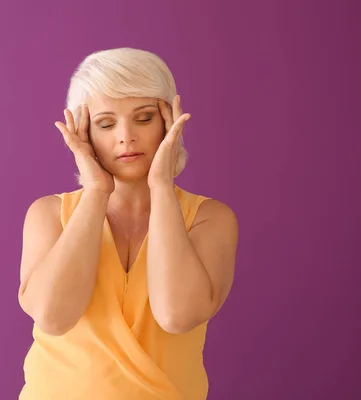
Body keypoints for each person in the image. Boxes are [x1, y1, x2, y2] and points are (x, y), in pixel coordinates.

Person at [17, 47, 238, 400]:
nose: (126, 137)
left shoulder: (210, 219)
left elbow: (177, 315)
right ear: (84, 131)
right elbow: (53, 317)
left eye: (144, 117)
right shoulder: (47, 214)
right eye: (106, 123)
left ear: (170, 121)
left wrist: (161, 185)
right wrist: (95, 191)